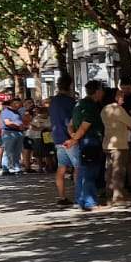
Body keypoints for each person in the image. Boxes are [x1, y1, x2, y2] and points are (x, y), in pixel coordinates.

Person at [64, 81, 107, 211]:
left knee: (82, 172)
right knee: (90, 173)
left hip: (83, 141)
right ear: (98, 91)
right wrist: (74, 139)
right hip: (91, 141)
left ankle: (79, 200)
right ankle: (90, 202)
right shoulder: (91, 106)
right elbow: (84, 126)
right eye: (102, 90)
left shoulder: (79, 104)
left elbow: (70, 124)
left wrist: (73, 136)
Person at [103, 87, 131, 206]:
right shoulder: (117, 109)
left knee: (109, 170)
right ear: (114, 96)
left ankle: (109, 193)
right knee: (118, 171)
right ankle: (118, 197)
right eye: (120, 94)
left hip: (107, 143)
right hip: (119, 144)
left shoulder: (104, 109)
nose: (122, 97)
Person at [49, 74, 78, 206]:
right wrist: (74, 137)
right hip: (69, 138)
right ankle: (80, 195)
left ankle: (62, 197)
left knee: (61, 168)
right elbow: (69, 122)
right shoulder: (70, 102)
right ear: (70, 86)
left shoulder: (53, 101)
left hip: (57, 138)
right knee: (78, 167)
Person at [0, 97, 26, 175]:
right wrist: (18, 126)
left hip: (19, 133)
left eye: (19, 103)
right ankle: (5, 169)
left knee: (17, 151)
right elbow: (7, 122)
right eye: (16, 103)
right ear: (12, 103)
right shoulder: (6, 111)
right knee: (8, 151)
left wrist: (22, 126)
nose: (18, 105)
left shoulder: (17, 112)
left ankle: (16, 167)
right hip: (9, 132)